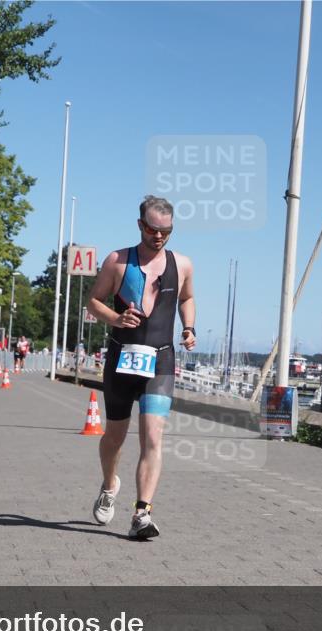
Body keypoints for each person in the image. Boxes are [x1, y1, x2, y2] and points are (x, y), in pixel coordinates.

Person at [86, 195, 196, 540]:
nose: (159, 236)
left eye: (166, 230)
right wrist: (116, 318)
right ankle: (108, 485)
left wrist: (188, 327)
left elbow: (187, 298)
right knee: (115, 437)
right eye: (152, 229)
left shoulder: (183, 265)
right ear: (140, 225)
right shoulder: (118, 261)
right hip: (122, 358)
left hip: (161, 360)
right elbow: (93, 301)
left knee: (152, 436)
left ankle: (141, 514)